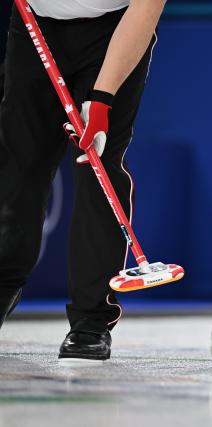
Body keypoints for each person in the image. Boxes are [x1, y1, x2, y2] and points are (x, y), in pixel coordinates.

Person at [0, 0, 166, 362]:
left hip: (114, 30)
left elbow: (146, 7)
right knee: (17, 165)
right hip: (34, 23)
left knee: (97, 165)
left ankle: (91, 320)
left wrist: (102, 99)